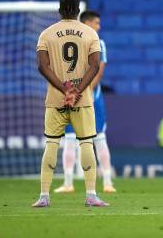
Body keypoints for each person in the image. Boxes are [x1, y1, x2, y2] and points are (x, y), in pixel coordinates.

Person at [32, 0, 109, 208]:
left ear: (60, 10)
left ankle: (44, 196)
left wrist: (63, 89)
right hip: (82, 99)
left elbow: (42, 66)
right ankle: (92, 195)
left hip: (56, 99)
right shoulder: (90, 33)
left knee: (52, 144)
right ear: (77, 10)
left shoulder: (46, 33)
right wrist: (77, 90)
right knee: (86, 143)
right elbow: (94, 66)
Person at [55, 10, 116, 194]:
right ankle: (68, 182)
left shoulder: (74, 42)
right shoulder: (94, 42)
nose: (99, 27)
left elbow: (98, 70)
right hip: (83, 97)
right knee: (72, 139)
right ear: (87, 23)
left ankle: (106, 181)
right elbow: (97, 71)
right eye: (96, 23)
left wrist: (76, 92)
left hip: (81, 97)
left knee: (97, 138)